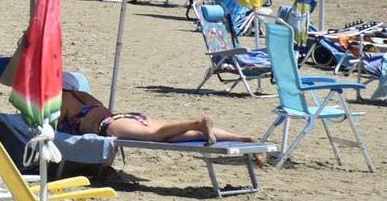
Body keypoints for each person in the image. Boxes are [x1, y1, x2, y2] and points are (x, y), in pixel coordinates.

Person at [58, 74, 255, 145]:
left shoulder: (62, 99)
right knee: (176, 134)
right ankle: (242, 138)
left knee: (156, 136)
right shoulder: (83, 96)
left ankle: (198, 123)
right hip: (125, 117)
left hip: (108, 126)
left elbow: (52, 126)